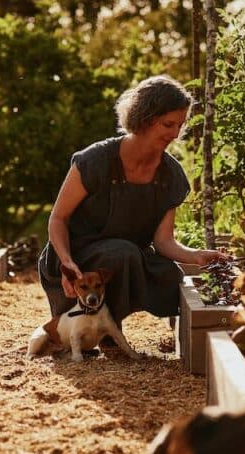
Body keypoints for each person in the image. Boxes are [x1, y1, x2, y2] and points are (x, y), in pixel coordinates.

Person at [37, 75, 228, 331]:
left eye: (179, 125)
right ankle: (90, 325)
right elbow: (58, 218)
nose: (175, 134)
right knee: (121, 253)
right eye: (167, 124)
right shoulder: (94, 161)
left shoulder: (171, 175)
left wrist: (197, 257)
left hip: (126, 258)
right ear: (146, 119)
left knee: (170, 277)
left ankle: (106, 323)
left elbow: (163, 241)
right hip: (77, 258)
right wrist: (67, 261)